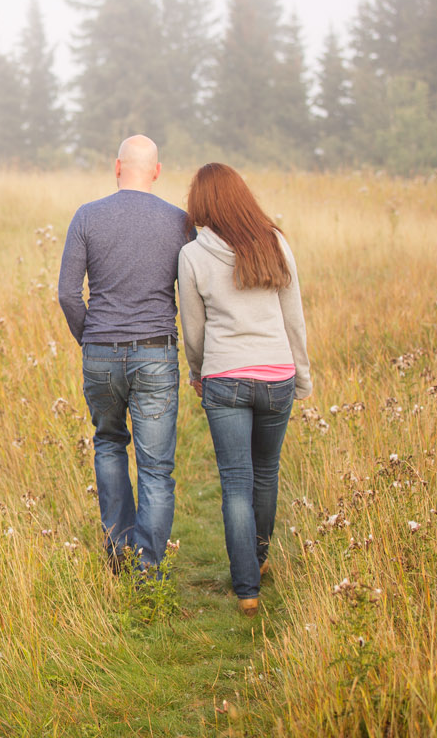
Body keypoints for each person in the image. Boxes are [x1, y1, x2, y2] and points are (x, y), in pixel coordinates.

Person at [177, 163, 311, 616]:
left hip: (226, 378)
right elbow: (294, 319)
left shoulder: (193, 255)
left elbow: (193, 330)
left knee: (236, 482)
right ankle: (259, 557)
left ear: (201, 204)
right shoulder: (275, 243)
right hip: (277, 376)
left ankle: (246, 589)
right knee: (266, 473)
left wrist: (198, 372)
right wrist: (303, 376)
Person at [58, 135, 193, 575]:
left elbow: (67, 294)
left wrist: (90, 338)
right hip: (156, 352)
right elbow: (190, 294)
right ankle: (148, 570)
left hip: (100, 352)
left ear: (117, 167)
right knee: (156, 468)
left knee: (110, 445)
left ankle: (118, 552)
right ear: (156, 170)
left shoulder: (87, 216)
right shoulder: (179, 222)